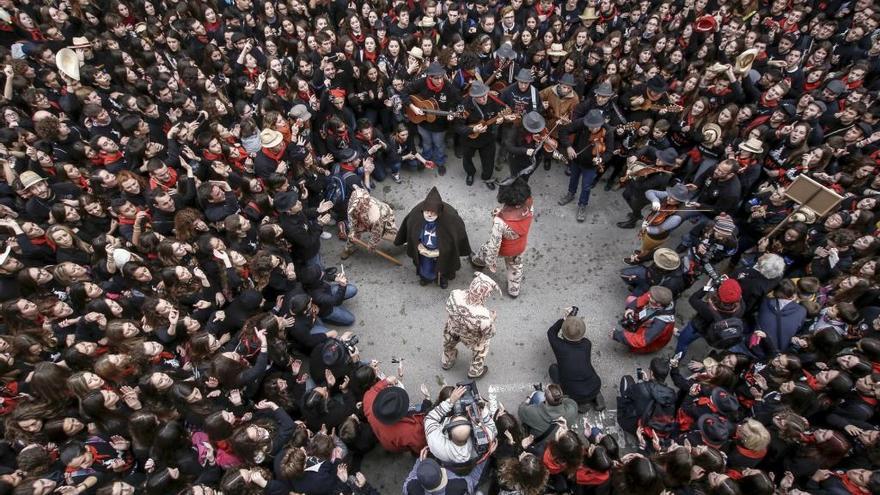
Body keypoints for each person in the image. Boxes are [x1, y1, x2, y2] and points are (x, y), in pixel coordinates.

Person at [395, 187, 472, 288]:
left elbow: (456, 236)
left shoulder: (450, 219)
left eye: (433, 212)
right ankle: (425, 278)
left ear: (439, 212)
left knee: (443, 266)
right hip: (424, 251)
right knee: (425, 267)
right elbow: (411, 232)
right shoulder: (416, 215)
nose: (430, 214)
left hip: (442, 252)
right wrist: (418, 245)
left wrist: (442, 250)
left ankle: (443, 278)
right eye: (427, 211)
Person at [469, 178, 534, 297]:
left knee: (485, 250)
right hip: (520, 246)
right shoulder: (529, 203)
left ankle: (477, 261)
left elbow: (494, 245)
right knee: (515, 268)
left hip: (504, 248)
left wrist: (491, 262)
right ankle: (514, 290)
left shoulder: (500, 221)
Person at [402, 62, 462, 176]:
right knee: (426, 142)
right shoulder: (421, 83)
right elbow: (404, 92)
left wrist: (451, 111)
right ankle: (426, 159)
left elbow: (458, 101)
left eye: (441, 77)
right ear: (430, 77)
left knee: (439, 144)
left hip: (439, 124)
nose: (440, 81)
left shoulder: (448, 86)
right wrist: (412, 107)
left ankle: (440, 162)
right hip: (422, 121)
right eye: (436, 78)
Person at [454, 81, 515, 189]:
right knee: (467, 158)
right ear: (473, 96)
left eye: (485, 95)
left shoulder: (494, 101)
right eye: (479, 97)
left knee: (489, 160)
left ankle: (487, 177)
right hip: (469, 139)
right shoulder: (465, 105)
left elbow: (499, 115)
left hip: (488, 137)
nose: (484, 99)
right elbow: (458, 126)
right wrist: (472, 130)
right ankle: (470, 173)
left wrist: (502, 119)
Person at [558, 109, 614, 222]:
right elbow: (563, 131)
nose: (592, 129)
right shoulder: (582, 122)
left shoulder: (608, 131)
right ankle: (570, 194)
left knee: (586, 186)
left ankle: (582, 205)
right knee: (573, 178)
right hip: (577, 159)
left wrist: (601, 159)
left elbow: (609, 152)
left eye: (595, 127)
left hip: (591, 165)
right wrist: (568, 146)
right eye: (590, 127)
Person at [441, 272, 500, 379]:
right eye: (489, 293)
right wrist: (492, 319)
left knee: (448, 342)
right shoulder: (484, 316)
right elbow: (490, 333)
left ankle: (447, 360)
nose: (489, 295)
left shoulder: (455, 294)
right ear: (484, 294)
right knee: (483, 345)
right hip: (472, 338)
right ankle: (475, 371)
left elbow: (448, 309)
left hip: (453, 328)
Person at [547, 308, 605, 412]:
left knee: (553, 368)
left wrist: (563, 319)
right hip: (595, 385)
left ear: (564, 334)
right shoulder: (587, 344)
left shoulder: (559, 346)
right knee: (584, 368)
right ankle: (596, 395)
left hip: (575, 393)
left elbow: (551, 332)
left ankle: (581, 403)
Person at [612, 286, 676, 354]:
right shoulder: (661, 300)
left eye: (651, 297)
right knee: (630, 300)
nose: (649, 296)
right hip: (648, 318)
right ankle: (635, 327)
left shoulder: (660, 323)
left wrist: (618, 335)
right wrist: (631, 308)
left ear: (658, 304)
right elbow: (644, 297)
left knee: (634, 345)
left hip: (650, 342)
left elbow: (643, 340)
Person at [341, 185, 398, 260]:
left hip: (384, 218)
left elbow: (377, 233)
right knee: (353, 235)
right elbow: (352, 218)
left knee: (391, 233)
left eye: (356, 210)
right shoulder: (355, 203)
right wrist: (352, 231)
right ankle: (348, 249)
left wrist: (372, 245)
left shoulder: (375, 216)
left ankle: (404, 240)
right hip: (363, 218)